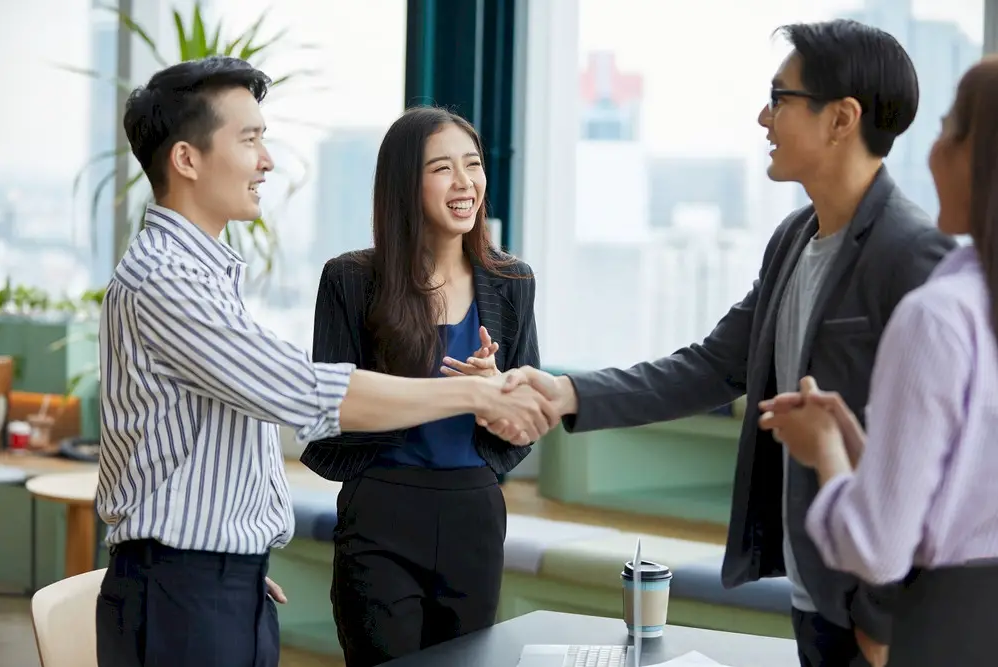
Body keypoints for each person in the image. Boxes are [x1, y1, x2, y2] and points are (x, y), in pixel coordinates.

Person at [494, 19, 957, 667]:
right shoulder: (793, 240)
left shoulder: (912, 255)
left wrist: (884, 612)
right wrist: (568, 391)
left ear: (841, 119)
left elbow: (935, 459)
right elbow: (714, 365)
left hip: (878, 612)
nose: (763, 117)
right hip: (814, 587)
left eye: (780, 97)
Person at [95, 57, 556, 667]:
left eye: (473, 164)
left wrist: (231, 566)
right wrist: (475, 394)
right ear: (187, 159)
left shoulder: (204, 276)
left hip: (218, 580)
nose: (268, 160)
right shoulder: (167, 281)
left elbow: (217, 436)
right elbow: (303, 392)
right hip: (192, 585)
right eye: (251, 139)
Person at [758, 56, 998, 667]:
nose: (931, 153)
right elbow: (959, 483)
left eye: (948, 131)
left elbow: (877, 546)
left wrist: (827, 451)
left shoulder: (938, 310)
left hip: (935, 630)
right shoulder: (792, 240)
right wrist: (865, 447)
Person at [299, 106, 539, 667]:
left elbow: (527, 420)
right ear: (405, 183)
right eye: (442, 168)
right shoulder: (351, 280)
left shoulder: (511, 282)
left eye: (473, 165)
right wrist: (445, 394)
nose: (465, 183)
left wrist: (497, 394)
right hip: (381, 508)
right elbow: (324, 412)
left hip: (474, 512)